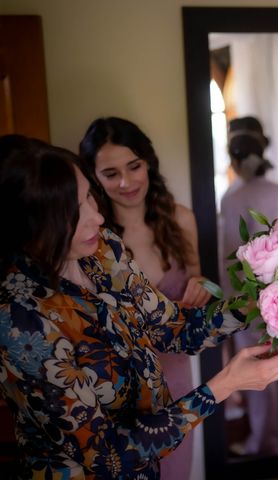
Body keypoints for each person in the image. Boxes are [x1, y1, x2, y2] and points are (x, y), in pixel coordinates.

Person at [0, 139, 278, 479]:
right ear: (31, 225)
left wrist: (257, 305)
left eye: (89, 196)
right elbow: (107, 455)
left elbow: (169, 327)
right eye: (75, 211)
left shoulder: (103, 249)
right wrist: (222, 386)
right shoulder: (18, 319)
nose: (98, 215)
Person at [78, 117, 210, 478]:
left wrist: (201, 284)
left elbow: (203, 285)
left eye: (134, 166)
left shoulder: (181, 220)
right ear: (94, 178)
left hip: (178, 378)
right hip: (121, 390)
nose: (126, 182)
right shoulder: (91, 240)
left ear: (148, 161)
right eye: (111, 173)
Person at [219, 116, 278, 455]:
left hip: (245, 295)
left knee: (256, 371)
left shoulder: (232, 197)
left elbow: (230, 253)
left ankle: (263, 440)